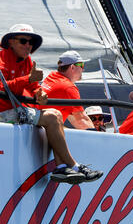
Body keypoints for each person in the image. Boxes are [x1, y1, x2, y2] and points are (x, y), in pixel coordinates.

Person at [0, 24, 103, 184]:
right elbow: (81, 119)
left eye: (31, 43)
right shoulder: (1, 58)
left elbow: (33, 87)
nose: (28, 45)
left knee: (55, 116)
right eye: (23, 41)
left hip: (18, 110)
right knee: (54, 117)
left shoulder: (32, 64)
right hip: (4, 112)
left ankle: (63, 167)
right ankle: (72, 165)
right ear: (11, 42)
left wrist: (39, 94)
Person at [40, 50, 95, 129]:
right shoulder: (68, 88)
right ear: (72, 67)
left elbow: (73, 117)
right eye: (81, 65)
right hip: (42, 131)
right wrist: (100, 137)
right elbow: (81, 121)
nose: (83, 69)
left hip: (37, 126)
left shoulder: (51, 76)